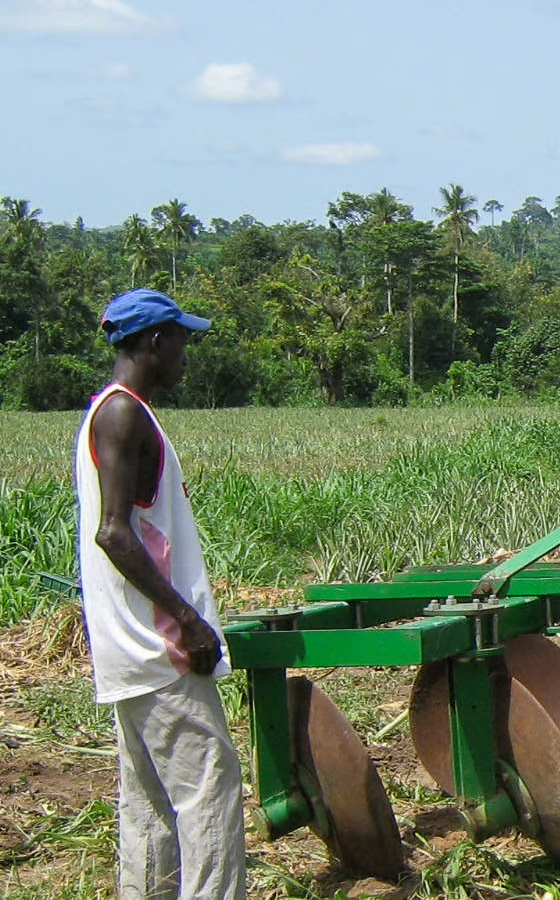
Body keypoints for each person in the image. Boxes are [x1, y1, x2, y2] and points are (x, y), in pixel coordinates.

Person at [74, 288, 247, 900]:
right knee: (210, 791)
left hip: (129, 649)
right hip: (160, 648)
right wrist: (188, 620)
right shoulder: (124, 416)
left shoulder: (107, 410)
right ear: (153, 341)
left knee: (148, 804)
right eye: (180, 341)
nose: (184, 355)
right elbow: (114, 534)